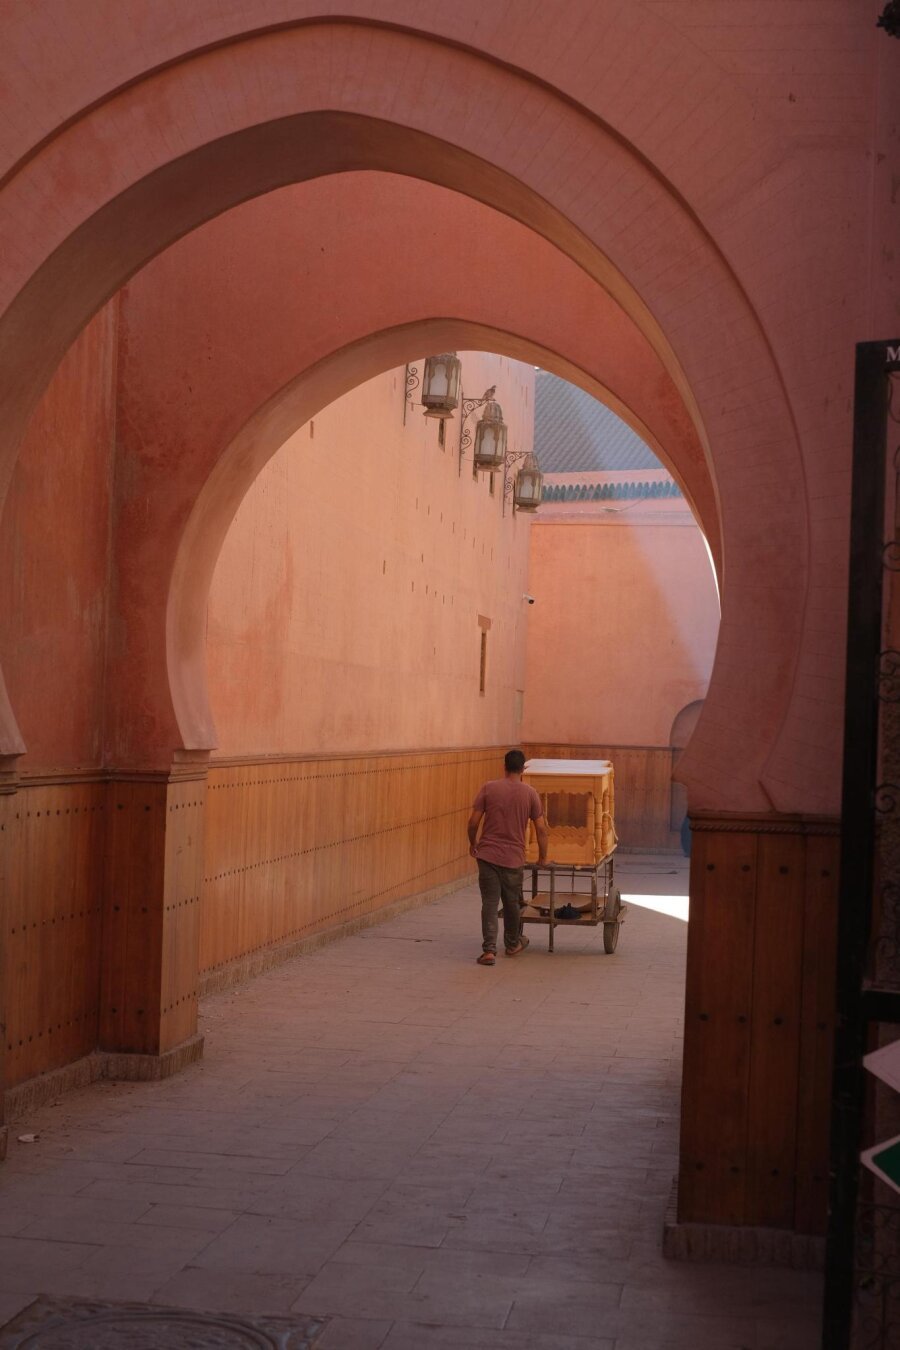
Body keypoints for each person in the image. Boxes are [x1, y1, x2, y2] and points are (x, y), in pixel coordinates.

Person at [467, 749, 549, 966]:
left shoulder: (489, 788)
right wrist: (543, 857)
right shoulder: (530, 793)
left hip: (487, 856)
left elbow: (473, 822)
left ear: (504, 767)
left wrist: (473, 843)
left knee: (490, 903)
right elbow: (541, 829)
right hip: (514, 858)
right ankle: (512, 944)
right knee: (512, 903)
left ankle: (489, 951)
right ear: (523, 769)